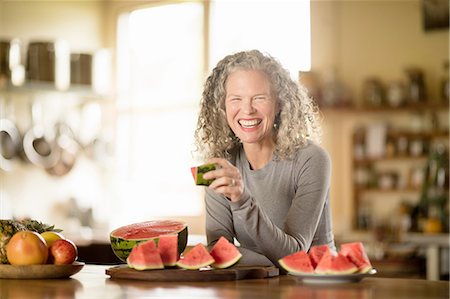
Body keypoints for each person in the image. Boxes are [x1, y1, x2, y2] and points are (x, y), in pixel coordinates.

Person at [194, 50, 336, 267]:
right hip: (257, 286)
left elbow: (294, 255)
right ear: (223, 106)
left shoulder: (312, 159)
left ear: (279, 103)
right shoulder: (223, 165)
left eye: (259, 98)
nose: (247, 110)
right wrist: (269, 265)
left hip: (319, 286)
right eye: (236, 99)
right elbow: (218, 250)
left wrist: (242, 200)